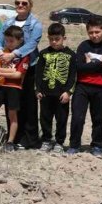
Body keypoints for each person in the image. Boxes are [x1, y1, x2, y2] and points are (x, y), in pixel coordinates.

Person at [0, 0, 43, 149]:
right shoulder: (8, 22)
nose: (20, 5)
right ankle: (13, 138)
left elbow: (32, 44)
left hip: (28, 67)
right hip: (8, 66)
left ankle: (29, 139)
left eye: (24, 3)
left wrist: (14, 54)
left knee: (28, 103)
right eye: (18, 3)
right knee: (12, 104)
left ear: (30, 5)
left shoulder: (35, 24)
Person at [69, 14, 102, 156]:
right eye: (91, 32)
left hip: (101, 88)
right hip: (82, 87)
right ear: (87, 31)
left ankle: (97, 146)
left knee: (98, 119)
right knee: (77, 117)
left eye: (97, 32)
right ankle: (74, 145)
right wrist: (100, 64)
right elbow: (79, 67)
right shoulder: (83, 46)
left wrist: (91, 64)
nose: (94, 35)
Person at [35, 23, 76, 153]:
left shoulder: (71, 55)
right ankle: (46, 140)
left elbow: (73, 75)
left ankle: (59, 142)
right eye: (51, 39)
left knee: (62, 119)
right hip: (45, 93)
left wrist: (68, 92)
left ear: (64, 38)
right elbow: (38, 73)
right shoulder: (43, 54)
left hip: (62, 95)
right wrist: (37, 89)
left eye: (57, 39)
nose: (54, 42)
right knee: (45, 118)